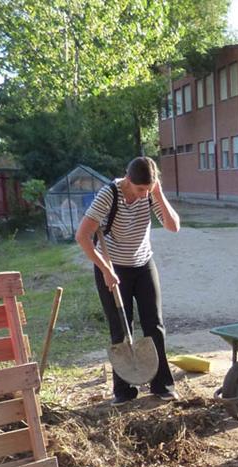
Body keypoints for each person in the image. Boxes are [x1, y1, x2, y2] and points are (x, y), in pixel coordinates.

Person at [76, 156, 181, 404]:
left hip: (144, 264)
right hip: (113, 267)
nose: (144, 194)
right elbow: (82, 236)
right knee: (120, 329)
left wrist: (158, 193)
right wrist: (105, 269)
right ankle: (123, 390)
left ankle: (162, 385)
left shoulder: (150, 194)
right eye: (140, 189)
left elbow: (173, 226)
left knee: (154, 325)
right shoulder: (108, 195)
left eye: (148, 188)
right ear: (127, 178)